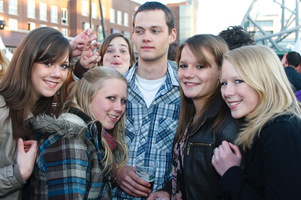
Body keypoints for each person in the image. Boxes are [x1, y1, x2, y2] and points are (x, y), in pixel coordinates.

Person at [148, 34, 240, 200]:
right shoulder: (191, 117)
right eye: (183, 66)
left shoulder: (227, 127)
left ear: (221, 71)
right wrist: (168, 190)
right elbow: (192, 177)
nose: (188, 74)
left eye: (200, 66)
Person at [212, 45, 301, 199]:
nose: (227, 92)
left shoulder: (280, 131)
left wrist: (231, 172)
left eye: (238, 81)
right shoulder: (263, 125)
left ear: (264, 81)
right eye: (223, 83)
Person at [112, 1, 180, 199]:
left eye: (155, 31)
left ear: (171, 35)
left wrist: (169, 189)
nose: (146, 38)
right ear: (132, 35)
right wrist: (114, 171)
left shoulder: (186, 90)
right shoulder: (115, 87)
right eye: (140, 31)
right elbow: (94, 144)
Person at [30, 67, 129, 199]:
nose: (119, 108)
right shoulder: (70, 139)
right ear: (87, 97)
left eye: (123, 101)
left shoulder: (93, 136)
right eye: (111, 98)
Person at [0, 27, 72, 200]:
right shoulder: (2, 108)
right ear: (27, 62)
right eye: (47, 63)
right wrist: (19, 174)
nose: (57, 74)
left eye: (63, 66)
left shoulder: (42, 112)